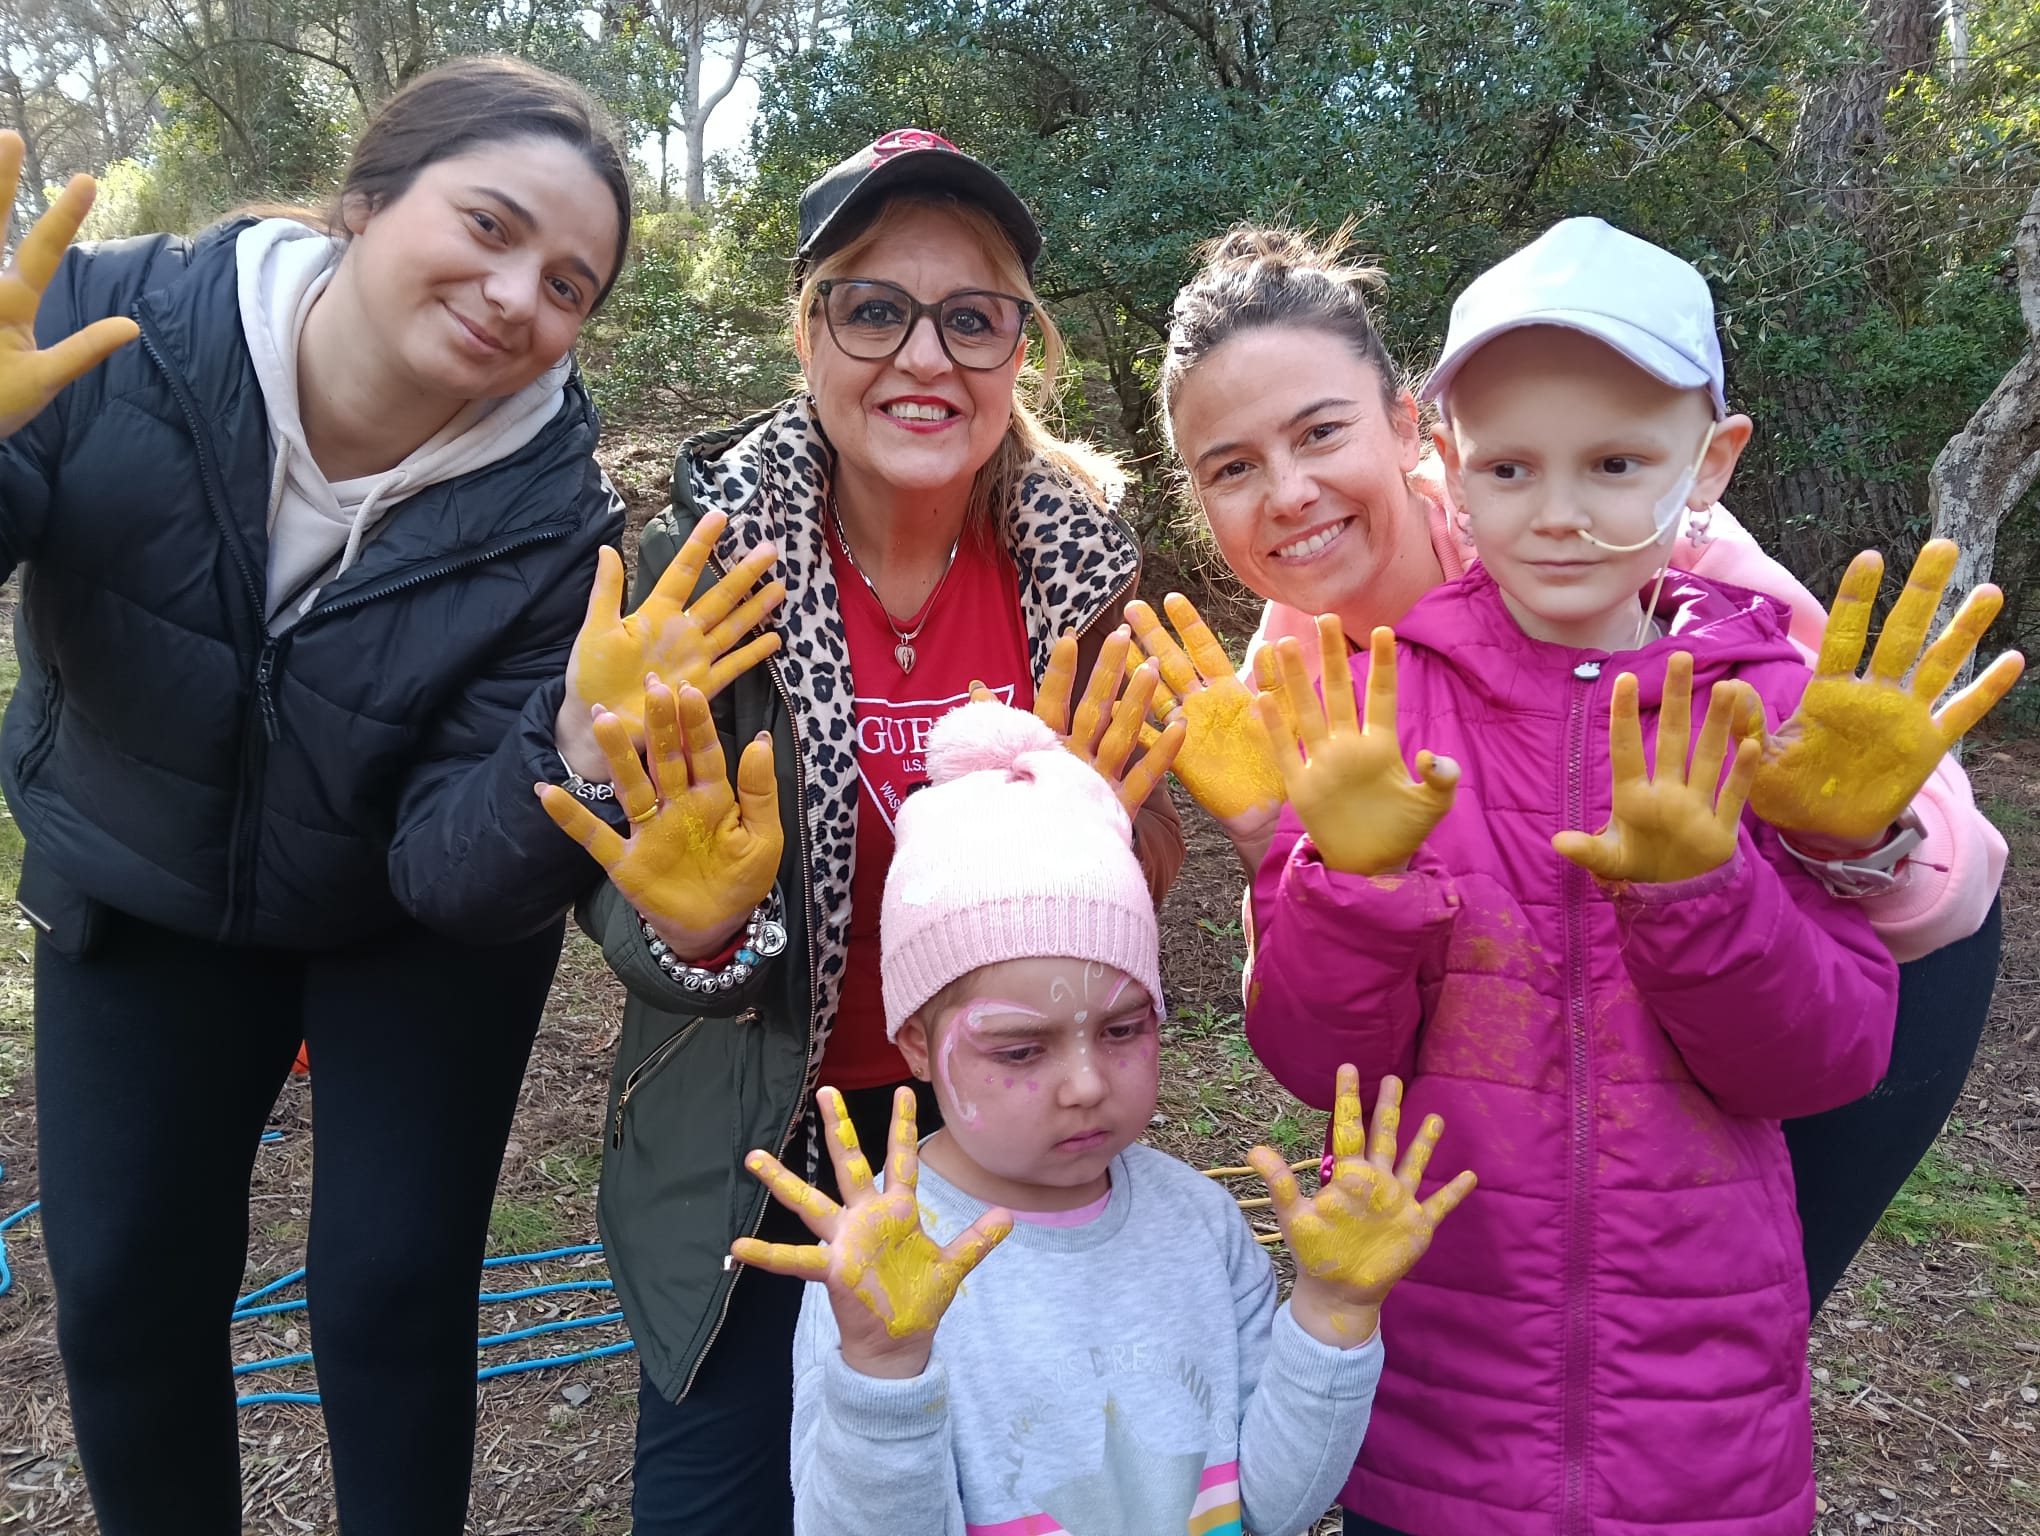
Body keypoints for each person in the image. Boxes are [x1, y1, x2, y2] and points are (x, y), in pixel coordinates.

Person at [0, 58, 777, 1536]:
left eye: (567, 283)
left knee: (390, 1292)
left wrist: (567, 748)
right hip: (145, 871)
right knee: (120, 1292)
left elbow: (450, 875)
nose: (514, 294)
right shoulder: (95, 326)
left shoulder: (557, 522)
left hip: (409, 917)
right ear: (366, 196)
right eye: (486, 225)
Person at [1148, 220, 2016, 1313]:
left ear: (1413, 429)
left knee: (1736, 1308)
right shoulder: (1287, 691)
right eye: (1232, 468)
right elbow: (1342, 1026)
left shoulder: (1617, 537)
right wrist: (1280, 853)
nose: (1287, 494)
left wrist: (1839, 835)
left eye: (1320, 432)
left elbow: (1911, 827)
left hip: (1888, 946)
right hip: (1566, 1039)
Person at [1242, 218, 1947, 1534]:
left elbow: (1824, 1063)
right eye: (1510, 466)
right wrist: (1351, 882)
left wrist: (1710, 893)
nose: (1559, 513)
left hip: (1694, 1445)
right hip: (1431, 1424)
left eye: (1615, 462)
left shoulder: (1773, 723)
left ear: (1709, 461)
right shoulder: (1381, 708)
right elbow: (1307, 1054)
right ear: (1448, 464)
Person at [538, 129, 1185, 1535]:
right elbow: (634, 870)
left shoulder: (1078, 576)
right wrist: (693, 923)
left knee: (1012, 1493)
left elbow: (1144, 875)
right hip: (756, 1133)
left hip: (1000, 1118)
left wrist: (1109, 842)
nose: (924, 357)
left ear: (1023, 347)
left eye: (973, 317)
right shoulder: (705, 569)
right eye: (873, 308)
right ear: (809, 328)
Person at [716, 696, 1474, 1536]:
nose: (1084, 1085)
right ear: (918, 1045)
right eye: (1020, 1049)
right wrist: (885, 1371)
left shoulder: (1201, 1225)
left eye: (1122, 1029)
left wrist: (1332, 1316)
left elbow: (1274, 1509)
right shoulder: (882, 1266)